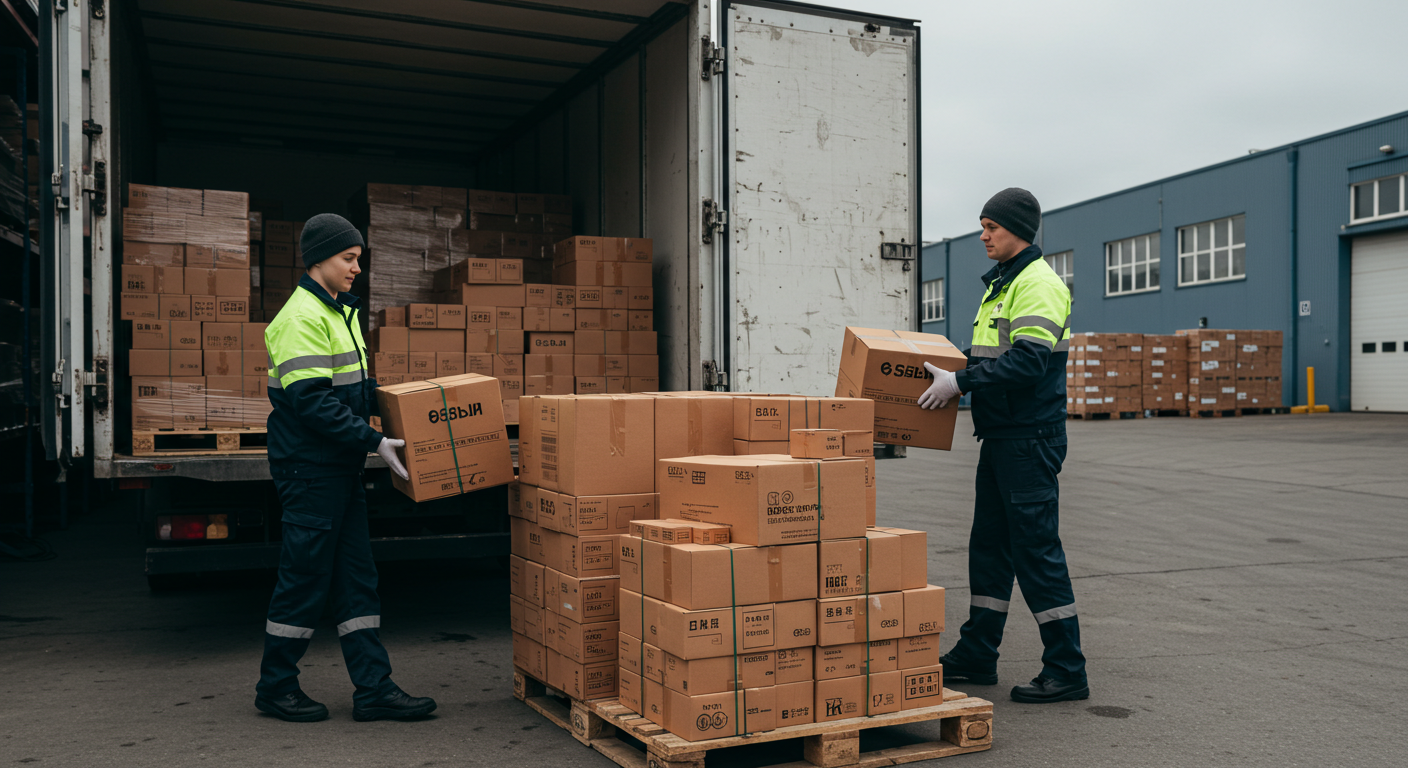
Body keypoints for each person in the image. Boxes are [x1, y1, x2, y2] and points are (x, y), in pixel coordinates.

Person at [254, 213, 434, 722]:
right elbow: (312, 403)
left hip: (337, 468)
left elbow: (351, 388)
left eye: (359, 258)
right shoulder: (301, 318)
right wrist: (375, 440)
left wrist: (405, 404)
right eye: (348, 258)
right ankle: (275, 687)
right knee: (304, 579)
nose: (357, 268)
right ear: (319, 260)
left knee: (357, 577)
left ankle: (373, 688)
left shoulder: (338, 311)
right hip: (309, 471)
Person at [917, 188, 1088, 703]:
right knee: (989, 549)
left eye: (991, 227)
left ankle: (1067, 668)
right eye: (982, 226)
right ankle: (978, 652)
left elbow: (1029, 361)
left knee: (1035, 551)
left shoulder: (1037, 284)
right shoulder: (1002, 285)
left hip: (1029, 440)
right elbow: (991, 355)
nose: (984, 236)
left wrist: (960, 382)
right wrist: (951, 367)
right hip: (1002, 437)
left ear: (1018, 230)